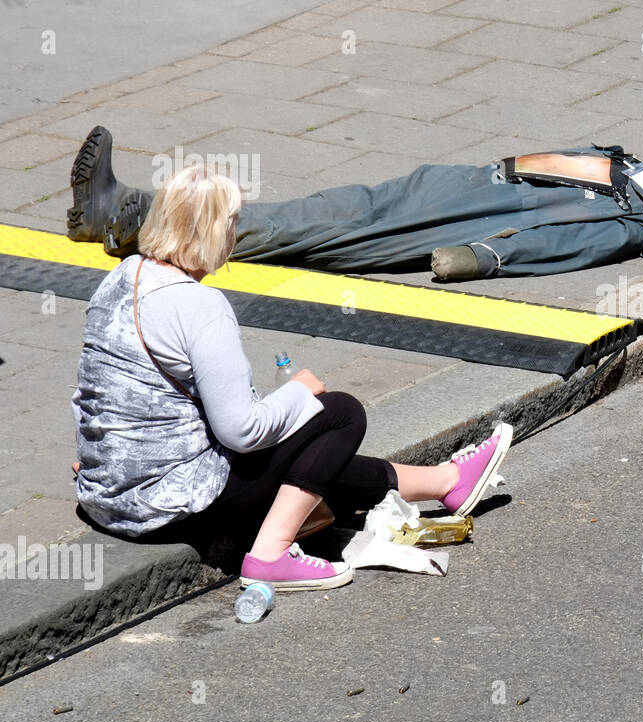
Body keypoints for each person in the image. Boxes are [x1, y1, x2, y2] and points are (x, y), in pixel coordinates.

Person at [72, 163, 513, 591]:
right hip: (171, 505)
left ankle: (447, 483)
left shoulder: (121, 277)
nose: (233, 233)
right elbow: (242, 432)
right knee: (339, 414)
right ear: (211, 232)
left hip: (107, 495)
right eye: (231, 223)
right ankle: (270, 556)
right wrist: (299, 394)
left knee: (308, 460)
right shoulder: (201, 308)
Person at [66, 126, 643, 277]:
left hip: (454, 216)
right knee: (333, 210)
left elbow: (565, 241)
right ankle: (136, 218)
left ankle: (130, 217)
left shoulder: (641, 221)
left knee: (318, 227)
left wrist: (479, 258)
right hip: (453, 189)